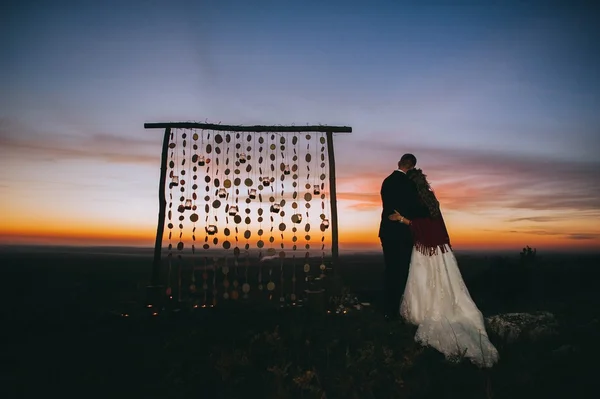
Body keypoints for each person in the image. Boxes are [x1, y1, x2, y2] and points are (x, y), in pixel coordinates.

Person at [389, 167, 499, 368]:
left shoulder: (416, 201)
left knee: (424, 282)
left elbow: (421, 225)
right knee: (444, 284)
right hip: (441, 251)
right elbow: (435, 225)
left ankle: (423, 313)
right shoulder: (431, 199)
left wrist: (402, 219)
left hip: (425, 252)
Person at [378, 154, 429, 322]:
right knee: (402, 272)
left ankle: (387, 309)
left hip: (387, 232)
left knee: (390, 269)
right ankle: (397, 310)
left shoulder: (386, 181)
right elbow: (416, 209)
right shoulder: (410, 184)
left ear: (399, 163)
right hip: (403, 232)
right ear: (413, 166)